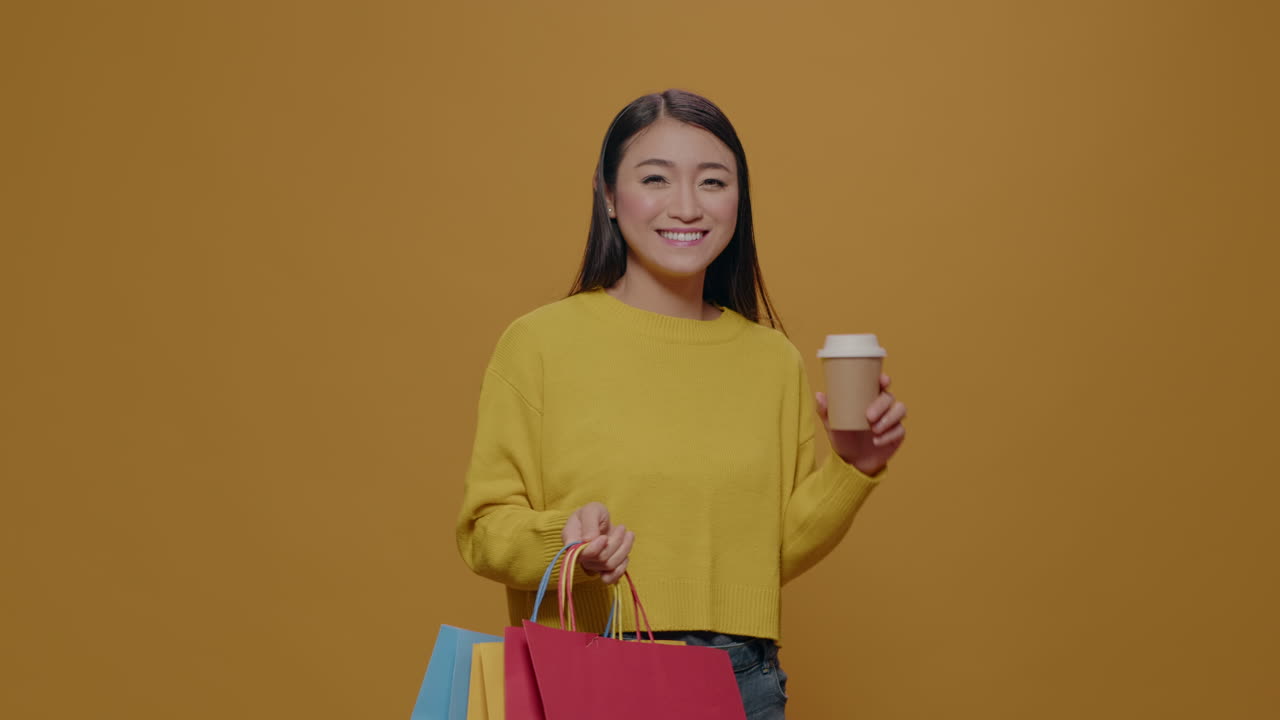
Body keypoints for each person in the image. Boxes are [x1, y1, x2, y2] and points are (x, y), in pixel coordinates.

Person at [455, 89, 907, 718]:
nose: (688, 206)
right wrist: (569, 544)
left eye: (713, 181)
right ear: (608, 195)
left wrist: (854, 467)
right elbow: (483, 531)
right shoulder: (538, 343)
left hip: (742, 678)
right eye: (656, 179)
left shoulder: (772, 359)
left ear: (739, 200)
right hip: (592, 670)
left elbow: (765, 555)